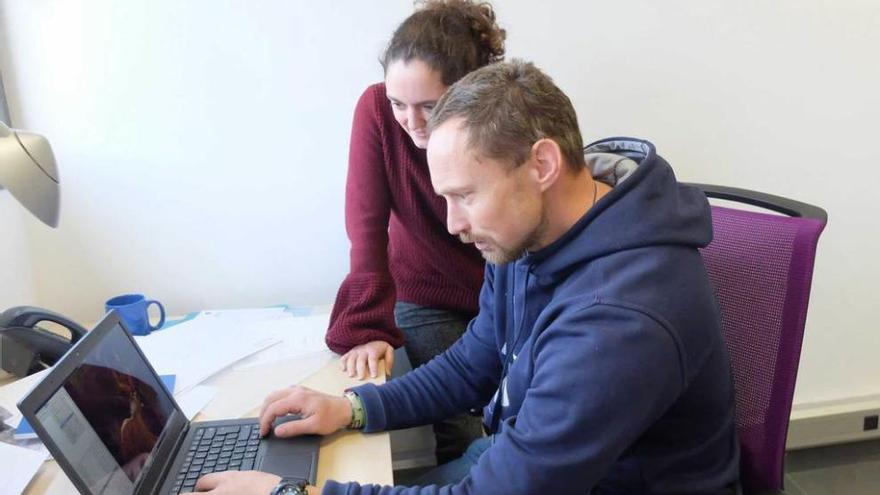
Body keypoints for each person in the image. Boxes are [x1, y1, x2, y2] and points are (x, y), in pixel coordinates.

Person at [194, 60, 741, 494]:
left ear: (542, 165)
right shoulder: (535, 235)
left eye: (465, 196)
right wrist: (353, 407)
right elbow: (471, 363)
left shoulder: (619, 319)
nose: (454, 224)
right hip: (530, 467)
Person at [325, 0, 505, 464]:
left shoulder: (501, 116)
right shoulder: (376, 112)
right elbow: (366, 226)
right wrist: (366, 324)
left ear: (470, 93)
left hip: (503, 285)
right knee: (460, 429)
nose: (412, 121)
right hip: (428, 293)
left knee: (513, 418)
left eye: (429, 106)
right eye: (398, 103)